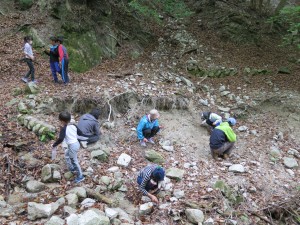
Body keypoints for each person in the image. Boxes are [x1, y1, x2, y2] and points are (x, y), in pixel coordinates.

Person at [52, 111, 85, 183]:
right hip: (75, 143)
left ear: (62, 121)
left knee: (74, 161)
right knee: (67, 154)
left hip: (73, 146)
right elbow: (80, 133)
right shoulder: (74, 125)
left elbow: (61, 139)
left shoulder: (64, 128)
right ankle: (72, 169)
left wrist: (54, 145)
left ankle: (80, 176)